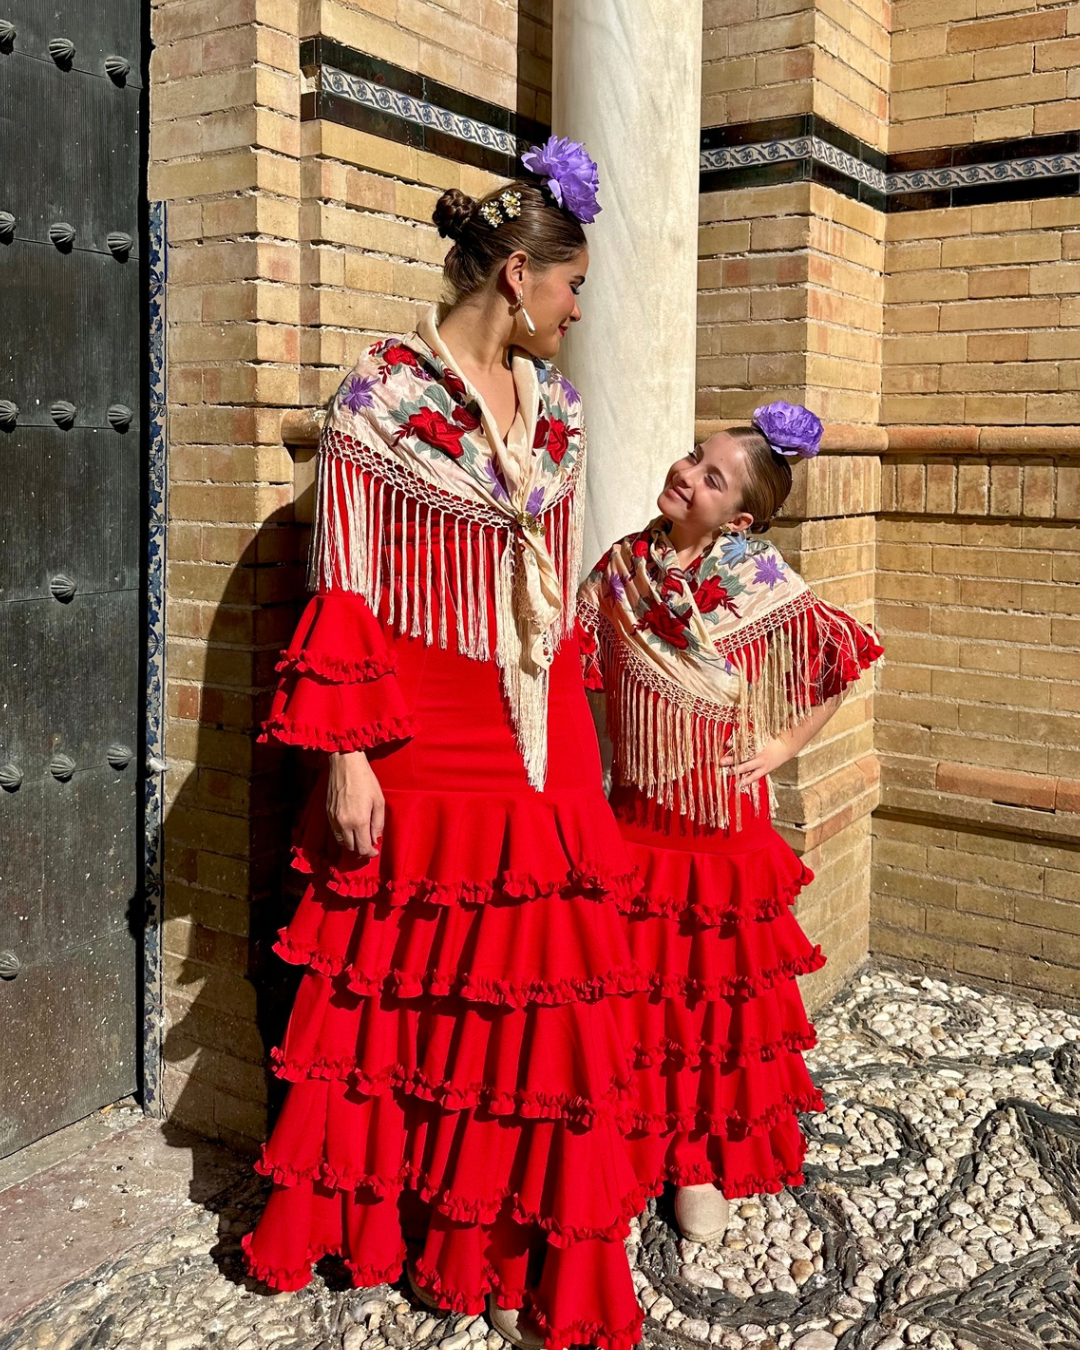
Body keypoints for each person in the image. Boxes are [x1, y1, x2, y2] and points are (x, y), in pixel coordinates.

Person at [240, 138, 651, 1350]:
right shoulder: (379, 393)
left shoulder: (562, 409)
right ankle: (415, 1230)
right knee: (405, 988)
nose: (579, 316)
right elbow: (347, 584)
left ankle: (522, 1243)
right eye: (572, 288)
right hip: (421, 728)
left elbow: (555, 576)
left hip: (540, 722)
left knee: (549, 990)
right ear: (518, 275)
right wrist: (345, 757)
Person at [577, 402, 884, 1244]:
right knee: (637, 1001)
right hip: (635, 819)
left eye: (712, 478)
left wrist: (781, 746)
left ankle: (698, 1162)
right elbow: (574, 669)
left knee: (710, 1007)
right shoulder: (620, 569)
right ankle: (628, 1143)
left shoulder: (758, 581)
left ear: (741, 518)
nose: (687, 474)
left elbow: (839, 659)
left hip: (720, 827)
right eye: (691, 458)